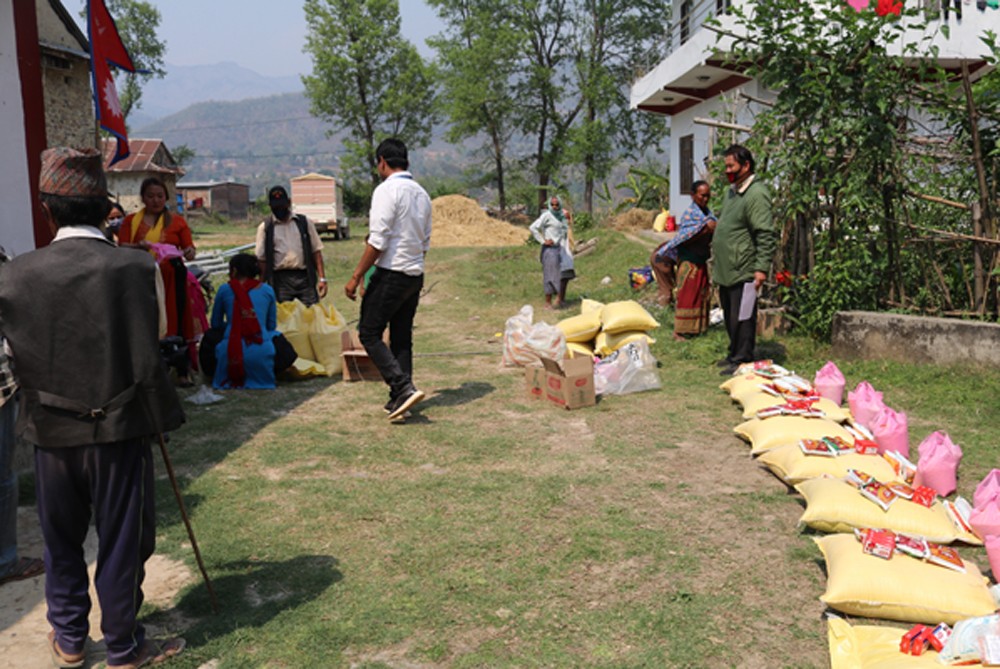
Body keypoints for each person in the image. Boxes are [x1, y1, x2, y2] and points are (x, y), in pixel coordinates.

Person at [0, 147, 185, 668]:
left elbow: (13, 354)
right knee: (122, 539)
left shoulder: (14, 277)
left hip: (51, 431)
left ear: (46, 209)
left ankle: (70, 638)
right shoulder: (135, 266)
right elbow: (160, 337)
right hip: (120, 426)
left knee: (60, 539)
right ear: (107, 208)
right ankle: (124, 646)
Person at [344, 138, 432, 421]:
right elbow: (425, 241)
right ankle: (400, 399)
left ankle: (402, 387)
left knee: (369, 332)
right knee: (401, 336)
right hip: (414, 273)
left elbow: (378, 241)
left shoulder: (386, 191)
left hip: (392, 271)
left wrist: (356, 276)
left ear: (382, 162)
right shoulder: (422, 194)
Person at [118, 177, 201, 386]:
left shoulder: (177, 222)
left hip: (173, 278)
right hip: (143, 277)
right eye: (150, 196)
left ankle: (182, 371)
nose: (155, 200)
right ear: (143, 198)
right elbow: (121, 248)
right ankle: (150, 371)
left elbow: (189, 251)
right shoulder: (130, 221)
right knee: (148, 321)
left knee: (177, 319)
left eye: (160, 196)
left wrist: (190, 251)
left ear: (166, 197)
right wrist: (141, 247)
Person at [711, 145, 777, 375]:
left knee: (743, 316)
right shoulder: (733, 191)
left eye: (731, 166)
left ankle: (743, 358)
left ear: (746, 166)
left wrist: (760, 269)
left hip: (744, 267)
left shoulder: (756, 194)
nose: (727, 170)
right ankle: (733, 353)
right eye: (726, 166)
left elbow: (765, 233)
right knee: (730, 314)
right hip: (728, 267)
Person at [653, 181, 717, 340]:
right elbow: (684, 239)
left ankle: (697, 328)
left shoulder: (708, 215)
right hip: (689, 262)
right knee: (687, 296)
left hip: (700, 260)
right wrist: (704, 230)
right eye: (702, 195)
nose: (705, 199)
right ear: (693, 195)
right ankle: (679, 331)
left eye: (708, 195)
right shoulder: (691, 215)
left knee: (700, 294)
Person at [210, 253, 279, 389]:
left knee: (210, 338)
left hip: (229, 352)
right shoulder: (267, 290)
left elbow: (215, 323)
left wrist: (233, 326)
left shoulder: (225, 289)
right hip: (261, 350)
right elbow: (271, 326)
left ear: (234, 271)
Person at [256, 185, 328, 306]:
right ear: (270, 206)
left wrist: (322, 278)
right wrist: (261, 285)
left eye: (282, 205)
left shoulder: (304, 223)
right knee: (285, 319)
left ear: (289, 202)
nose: (279, 209)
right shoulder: (265, 228)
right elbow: (262, 260)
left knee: (310, 316)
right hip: (280, 281)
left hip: (304, 278)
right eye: (276, 206)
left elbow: (316, 251)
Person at [529, 195, 571, 310]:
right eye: (552, 204)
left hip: (560, 248)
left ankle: (559, 300)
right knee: (550, 275)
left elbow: (565, 231)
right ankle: (548, 302)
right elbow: (533, 227)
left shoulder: (561, 217)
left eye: (557, 204)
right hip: (550, 250)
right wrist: (543, 241)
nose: (554, 207)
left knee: (563, 274)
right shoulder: (546, 215)